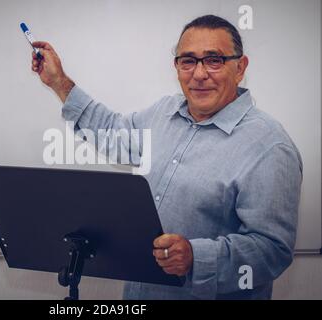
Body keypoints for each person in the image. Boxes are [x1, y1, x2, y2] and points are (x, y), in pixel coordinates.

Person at [28, 15, 303, 299]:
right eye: (188, 61)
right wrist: (60, 83)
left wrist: (197, 257)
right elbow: (112, 133)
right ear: (177, 66)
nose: (198, 74)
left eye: (214, 60)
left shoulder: (270, 146)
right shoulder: (164, 113)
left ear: (240, 67)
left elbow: (272, 249)